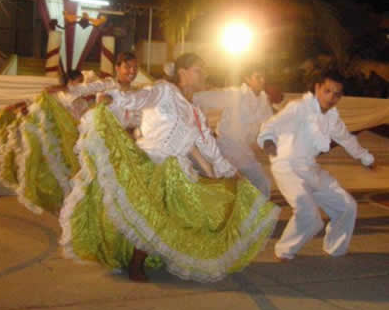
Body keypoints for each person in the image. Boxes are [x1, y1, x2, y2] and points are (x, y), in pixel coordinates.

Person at [59, 53, 280, 282]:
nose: (203, 75)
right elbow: (141, 98)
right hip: (151, 161)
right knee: (152, 213)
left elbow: (206, 144)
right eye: (198, 70)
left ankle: (142, 258)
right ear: (183, 73)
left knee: (172, 216)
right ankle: (136, 263)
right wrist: (114, 98)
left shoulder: (193, 111)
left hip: (176, 169)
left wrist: (228, 171)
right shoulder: (165, 90)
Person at [257, 69, 375, 261]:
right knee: (308, 212)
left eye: (337, 94)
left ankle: (335, 248)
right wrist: (268, 140)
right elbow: (272, 124)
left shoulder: (332, 118)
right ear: (317, 88)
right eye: (327, 91)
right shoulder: (298, 107)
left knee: (347, 206)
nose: (331, 97)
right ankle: (284, 251)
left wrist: (365, 158)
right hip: (286, 166)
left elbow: (347, 139)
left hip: (309, 167)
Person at [193, 65, 273, 198]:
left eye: (264, 77)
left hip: (246, 155)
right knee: (220, 194)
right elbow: (201, 98)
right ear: (247, 79)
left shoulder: (263, 101)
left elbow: (270, 125)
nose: (262, 80)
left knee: (263, 185)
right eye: (258, 77)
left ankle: (254, 212)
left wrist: (263, 143)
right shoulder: (234, 95)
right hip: (226, 153)